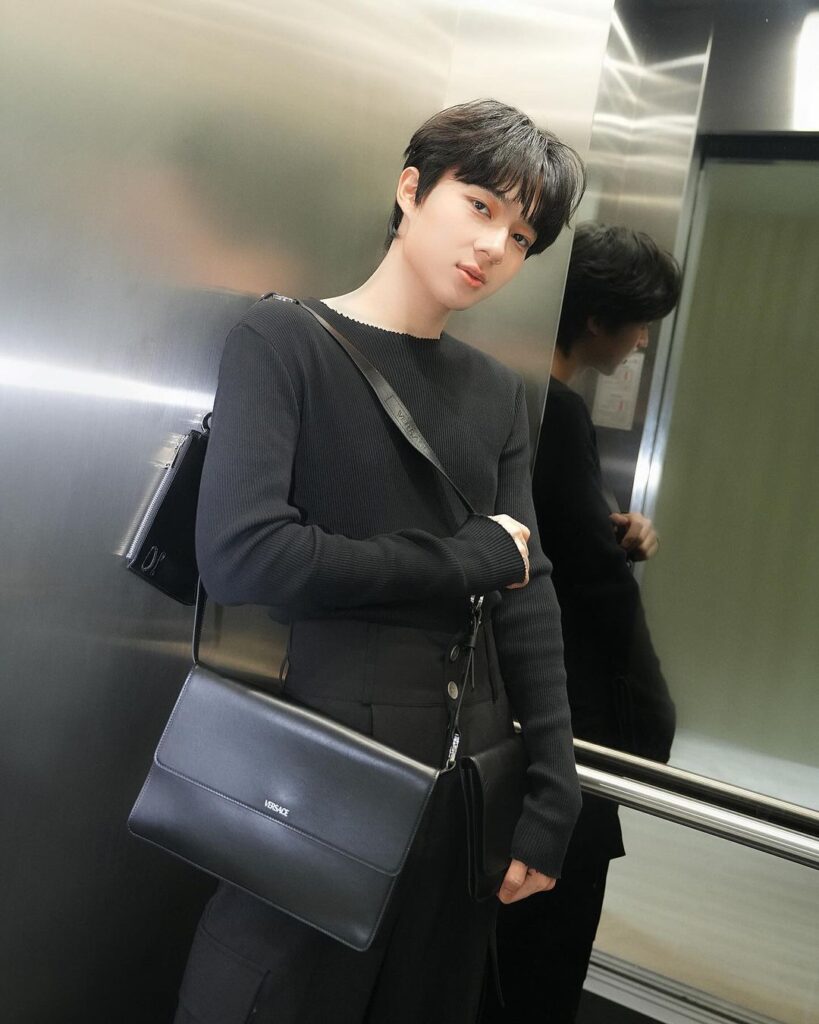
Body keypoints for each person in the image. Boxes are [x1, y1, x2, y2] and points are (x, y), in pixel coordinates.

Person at [172, 99, 586, 1024]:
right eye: (479, 206)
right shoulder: (282, 342)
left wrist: (554, 789)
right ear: (410, 189)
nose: (494, 247)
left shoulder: (496, 393)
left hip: (467, 779)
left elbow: (526, 590)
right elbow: (242, 557)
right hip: (319, 766)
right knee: (270, 993)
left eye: (521, 237)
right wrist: (463, 560)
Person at [485, 222, 681, 1023]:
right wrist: (651, 717)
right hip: (565, 712)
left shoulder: (509, 390)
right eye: (638, 324)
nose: (641, 342)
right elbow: (591, 591)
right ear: (596, 319)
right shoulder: (556, 411)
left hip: (505, 702)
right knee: (541, 953)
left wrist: (603, 530)